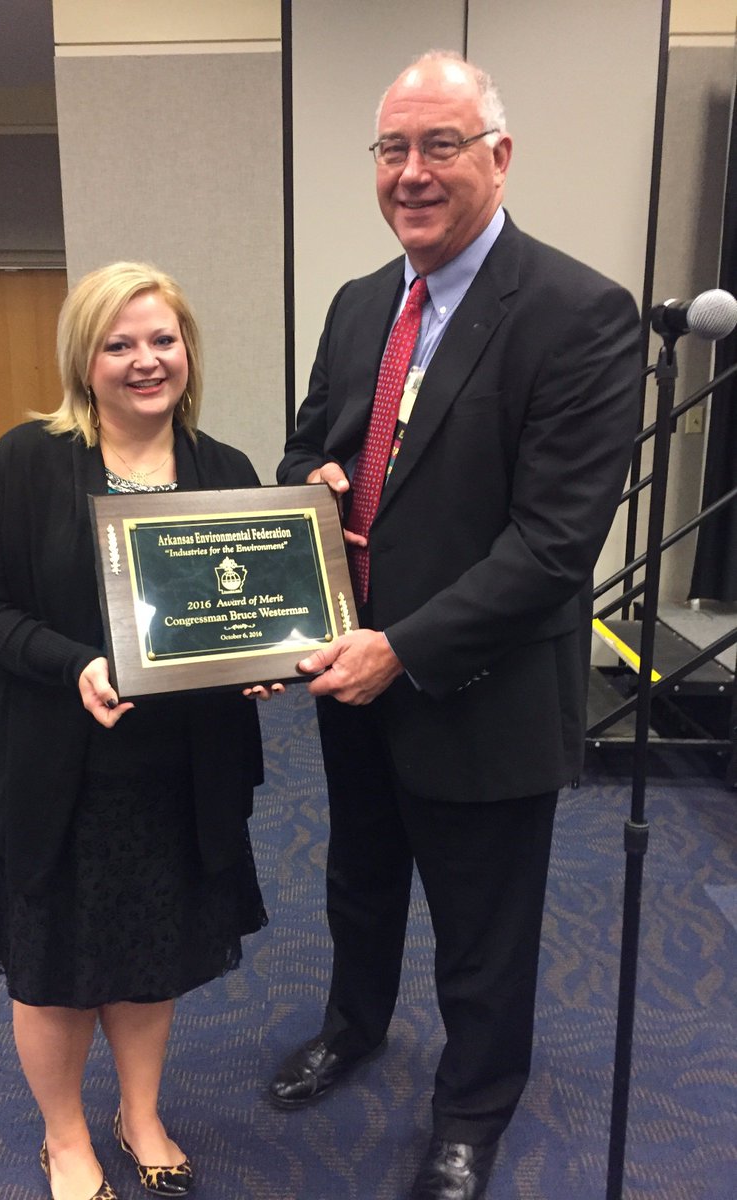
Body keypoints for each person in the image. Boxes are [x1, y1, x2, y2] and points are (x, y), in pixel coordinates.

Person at [269, 50, 641, 1200]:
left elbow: (553, 545)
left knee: (485, 926)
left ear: (499, 156)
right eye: (394, 149)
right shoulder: (359, 304)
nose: (413, 173)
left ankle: (473, 1112)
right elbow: (307, 447)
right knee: (361, 876)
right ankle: (354, 1026)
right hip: (351, 670)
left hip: (479, 689)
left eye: (441, 145)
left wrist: (406, 650)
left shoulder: (580, 313)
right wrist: (310, 484)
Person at [0, 261, 281, 1200]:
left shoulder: (224, 470)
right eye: (119, 344)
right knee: (53, 966)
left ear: (188, 351)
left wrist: (262, 660)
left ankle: (140, 1114)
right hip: (60, 767)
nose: (146, 361)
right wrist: (76, 664)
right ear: (83, 361)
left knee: (150, 953)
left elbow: (248, 612)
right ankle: (65, 1139)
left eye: (163, 340)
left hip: (182, 769)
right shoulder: (25, 462)